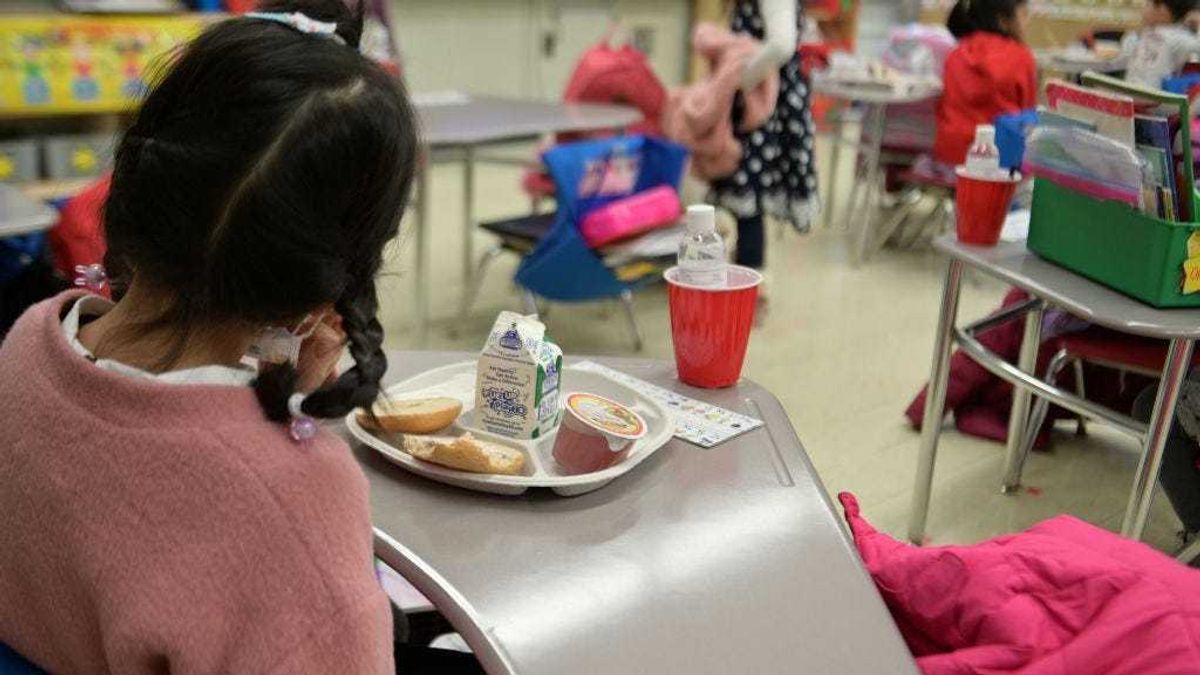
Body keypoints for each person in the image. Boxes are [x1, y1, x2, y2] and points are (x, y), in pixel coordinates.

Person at [0, 1, 480, 673]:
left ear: (135, 188)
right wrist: (280, 448)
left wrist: (272, 409)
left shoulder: (28, 344)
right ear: (324, 292)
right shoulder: (296, 503)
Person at [709, 0, 818, 274]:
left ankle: (750, 288)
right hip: (758, 103)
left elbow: (782, 45)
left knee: (750, 200)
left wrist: (739, 79)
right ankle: (744, 280)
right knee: (745, 198)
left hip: (765, 108)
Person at [934, 0, 1036, 168]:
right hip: (998, 161)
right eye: (1024, 14)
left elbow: (943, 107)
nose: (1028, 21)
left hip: (950, 155)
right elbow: (1028, 117)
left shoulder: (956, 53)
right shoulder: (1020, 57)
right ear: (1003, 21)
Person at [1123, 0, 1200, 89]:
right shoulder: (1145, 33)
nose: (1143, 8)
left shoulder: (1178, 37)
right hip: (1130, 93)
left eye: (1148, 4)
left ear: (1163, 10)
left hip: (1156, 98)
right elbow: (1126, 56)